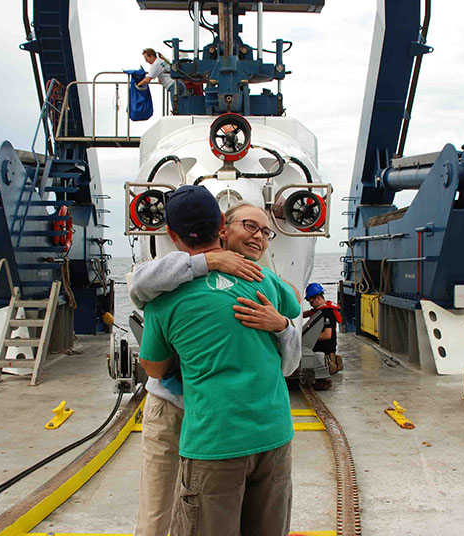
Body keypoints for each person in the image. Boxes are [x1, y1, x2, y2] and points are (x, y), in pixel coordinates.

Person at [129, 202, 301, 536]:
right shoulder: (261, 281)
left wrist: (279, 322)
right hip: (258, 430)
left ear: (171, 233)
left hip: (211, 431)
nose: (258, 237)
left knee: (167, 512)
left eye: (265, 232)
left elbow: (152, 366)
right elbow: (293, 302)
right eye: (250, 226)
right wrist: (210, 263)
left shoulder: (166, 298)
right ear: (222, 226)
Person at [303, 282, 343, 374]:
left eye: (311, 302)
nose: (310, 304)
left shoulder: (326, 314)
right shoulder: (321, 310)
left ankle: (329, 362)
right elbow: (309, 313)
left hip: (324, 352)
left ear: (318, 298)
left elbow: (327, 335)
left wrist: (307, 338)